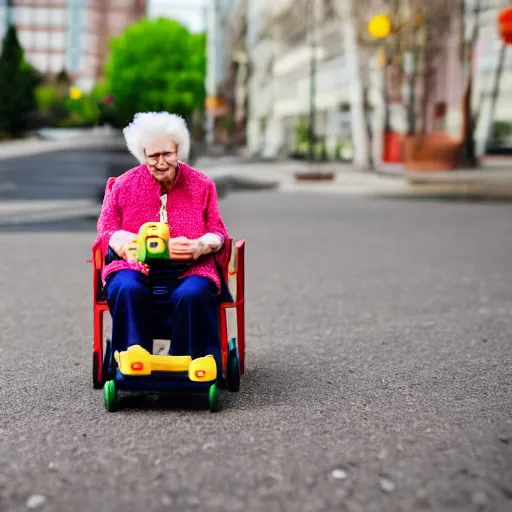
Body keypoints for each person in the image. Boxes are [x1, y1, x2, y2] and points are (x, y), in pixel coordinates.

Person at [93, 112, 229, 369]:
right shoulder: (122, 186)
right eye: (153, 156)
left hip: (191, 268)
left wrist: (200, 245)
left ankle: (190, 362)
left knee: (194, 292)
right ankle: (133, 361)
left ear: (178, 150)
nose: (161, 162)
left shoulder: (202, 185)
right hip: (133, 267)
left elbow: (218, 232)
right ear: (142, 154)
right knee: (127, 287)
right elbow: (106, 230)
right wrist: (126, 244)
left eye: (167, 154)